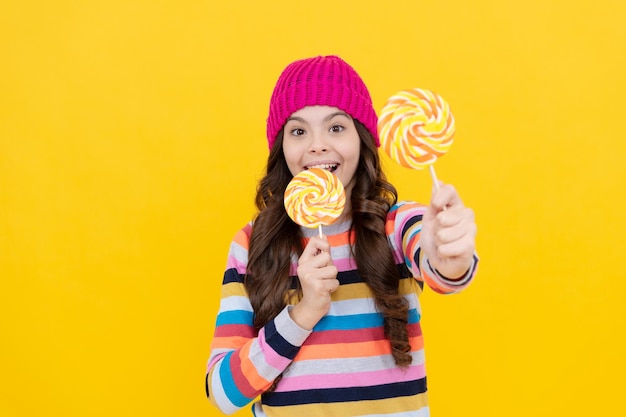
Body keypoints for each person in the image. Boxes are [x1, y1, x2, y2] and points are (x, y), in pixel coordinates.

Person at [205, 55, 478, 417]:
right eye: (299, 131)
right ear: (281, 147)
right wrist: (303, 313)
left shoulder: (397, 226)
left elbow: (442, 268)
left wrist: (449, 255)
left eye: (336, 127)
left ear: (362, 139)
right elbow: (223, 394)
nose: (317, 145)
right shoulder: (252, 245)